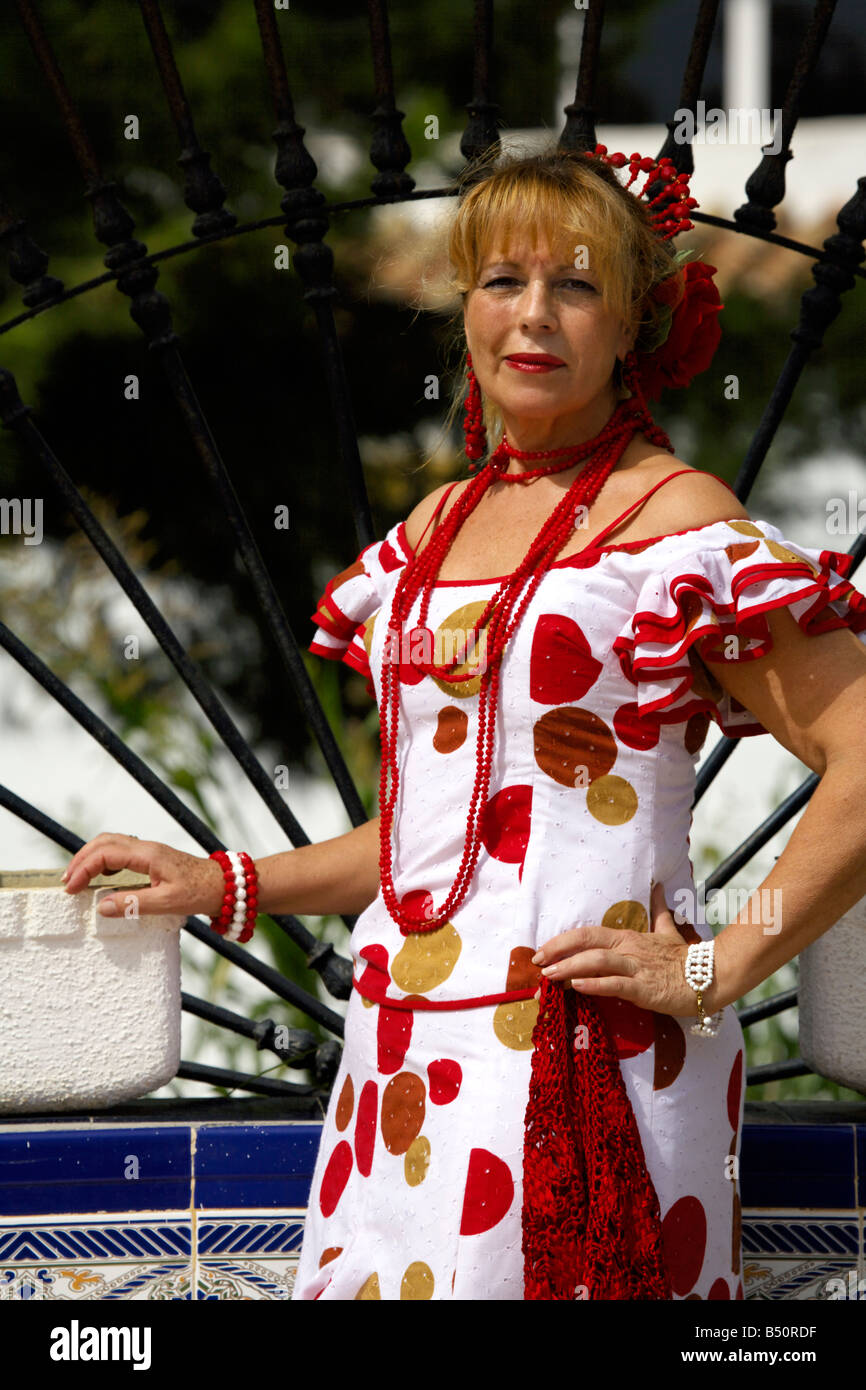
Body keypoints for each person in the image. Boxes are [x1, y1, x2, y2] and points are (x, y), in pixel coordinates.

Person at [61, 144, 866, 1302]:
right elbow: (427, 842)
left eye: (575, 285)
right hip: (404, 1061)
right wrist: (222, 883)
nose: (532, 316)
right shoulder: (435, 528)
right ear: (465, 306)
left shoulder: (674, 523)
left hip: (584, 1063)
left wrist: (715, 961)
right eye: (502, 280)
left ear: (632, 316)